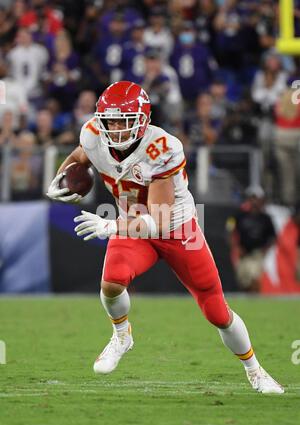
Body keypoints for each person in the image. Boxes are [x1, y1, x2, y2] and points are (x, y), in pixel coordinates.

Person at [46, 81, 283, 394]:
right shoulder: (93, 135)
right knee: (111, 284)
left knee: (217, 312)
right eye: (110, 121)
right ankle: (122, 336)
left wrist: (112, 227)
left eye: (123, 121)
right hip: (132, 224)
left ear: (142, 120)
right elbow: (79, 157)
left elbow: (158, 221)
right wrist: (60, 179)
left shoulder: (162, 148)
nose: (115, 129)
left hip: (176, 228)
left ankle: (255, 370)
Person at [228, 185, 276, 292]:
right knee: (243, 280)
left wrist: (264, 250)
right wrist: (236, 247)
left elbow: (272, 237)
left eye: (256, 198)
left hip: (257, 254)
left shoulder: (266, 218)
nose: (254, 201)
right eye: (252, 198)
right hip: (243, 253)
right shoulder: (240, 216)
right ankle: (247, 303)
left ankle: (256, 300)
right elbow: (231, 231)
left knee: (254, 278)